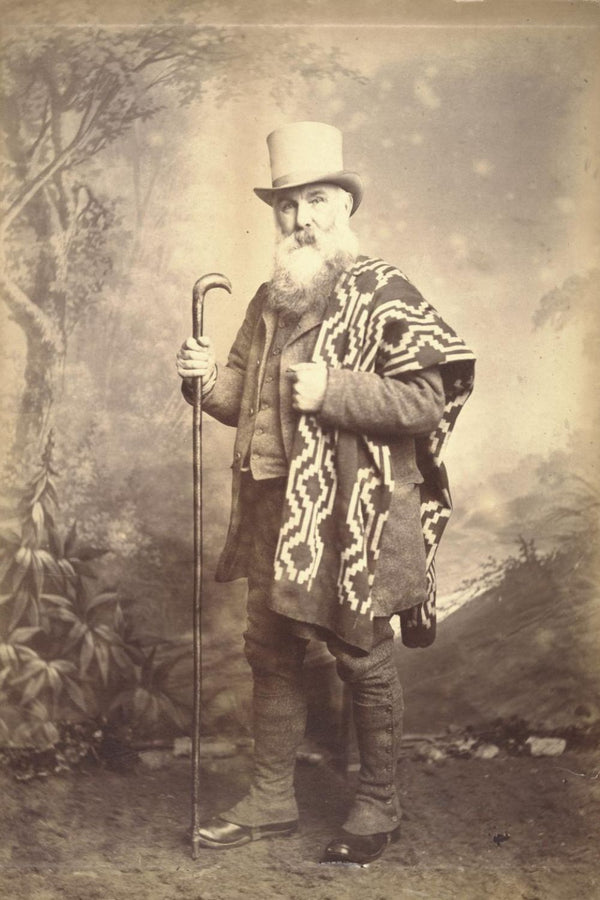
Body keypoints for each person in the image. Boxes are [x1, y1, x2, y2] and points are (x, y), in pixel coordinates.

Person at [176, 121, 475, 865]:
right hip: (272, 506)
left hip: (356, 511)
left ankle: (378, 803)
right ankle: (271, 800)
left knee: (359, 653)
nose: (300, 219)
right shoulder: (269, 299)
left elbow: (426, 403)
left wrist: (334, 390)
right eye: (287, 205)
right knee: (270, 650)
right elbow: (241, 399)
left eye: (316, 201)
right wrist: (203, 382)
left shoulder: (384, 293)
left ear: (344, 207)